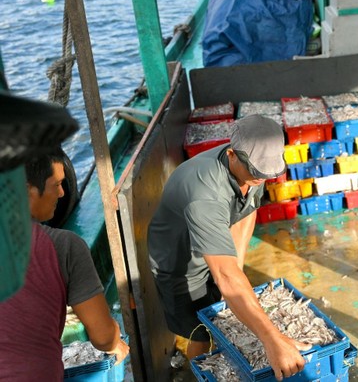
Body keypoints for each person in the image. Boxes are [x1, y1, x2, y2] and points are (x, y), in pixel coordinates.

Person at [147, 114, 310, 379]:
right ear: (232, 154)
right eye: (257, 173)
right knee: (200, 331)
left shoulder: (255, 166)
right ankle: (200, 373)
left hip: (216, 249)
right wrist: (272, 339)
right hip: (181, 265)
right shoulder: (205, 195)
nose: (262, 178)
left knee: (230, 301)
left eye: (268, 172)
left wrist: (237, 269)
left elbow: (246, 213)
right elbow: (223, 274)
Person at [0, 152, 130, 380]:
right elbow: (103, 338)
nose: (62, 193)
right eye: (57, 184)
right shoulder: (64, 246)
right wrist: (115, 340)